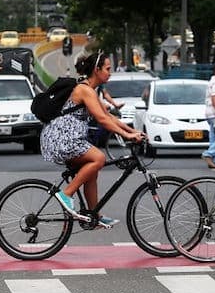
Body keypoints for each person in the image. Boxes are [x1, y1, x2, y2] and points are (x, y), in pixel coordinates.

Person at [41, 52, 145, 227]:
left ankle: (93, 215)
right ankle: (66, 194)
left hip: (70, 138)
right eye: (107, 69)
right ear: (97, 70)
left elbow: (109, 116)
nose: (110, 73)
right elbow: (102, 120)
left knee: (92, 170)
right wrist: (127, 136)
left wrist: (133, 131)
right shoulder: (84, 90)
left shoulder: (91, 90)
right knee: (99, 158)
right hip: (62, 139)